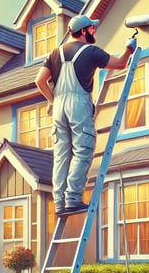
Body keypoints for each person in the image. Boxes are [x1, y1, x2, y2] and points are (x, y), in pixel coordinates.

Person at [35, 15, 137, 215]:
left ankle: (59, 202)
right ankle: (72, 198)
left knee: (62, 155)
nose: (94, 32)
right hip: (78, 104)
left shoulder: (55, 53)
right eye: (92, 29)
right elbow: (120, 64)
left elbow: (39, 81)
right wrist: (129, 48)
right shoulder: (91, 52)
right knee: (83, 150)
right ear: (83, 31)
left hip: (58, 107)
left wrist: (53, 100)